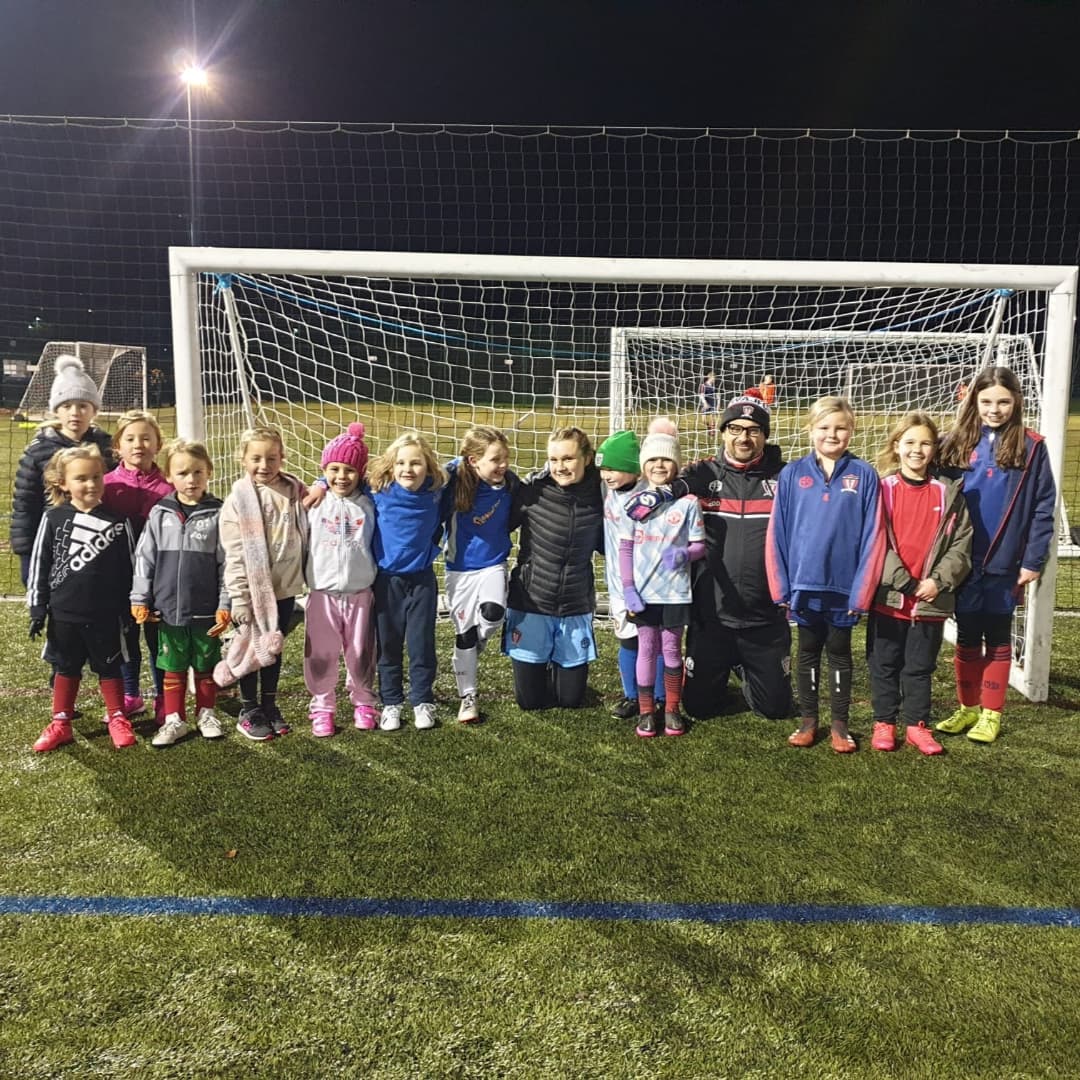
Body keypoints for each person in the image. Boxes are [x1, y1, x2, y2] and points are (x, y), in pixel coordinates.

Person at [625, 391, 794, 721]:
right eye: (735, 428)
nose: (743, 437)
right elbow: (671, 485)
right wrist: (652, 495)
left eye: (753, 430)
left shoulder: (783, 478)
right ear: (723, 432)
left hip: (765, 619)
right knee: (699, 708)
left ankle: (749, 670)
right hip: (712, 617)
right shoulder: (704, 474)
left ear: (764, 435)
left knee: (775, 710)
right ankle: (724, 663)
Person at [934, 366, 1056, 744]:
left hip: (1005, 561)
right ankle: (967, 707)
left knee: (999, 636)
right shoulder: (953, 442)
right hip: (963, 559)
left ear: (1016, 402)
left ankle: (991, 713)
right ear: (974, 401)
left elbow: (1042, 506)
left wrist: (1033, 560)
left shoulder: (1032, 446)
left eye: (1003, 401)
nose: (995, 409)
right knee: (967, 634)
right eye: (986, 401)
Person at [766, 396, 885, 752]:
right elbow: (778, 533)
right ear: (810, 430)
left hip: (844, 589)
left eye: (841, 428)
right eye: (824, 428)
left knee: (839, 651)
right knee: (806, 651)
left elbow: (874, 536)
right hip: (803, 586)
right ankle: (808, 721)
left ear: (852, 431)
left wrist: (862, 592)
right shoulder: (792, 474)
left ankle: (839, 725)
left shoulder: (864, 475)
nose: (832, 434)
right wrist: (781, 587)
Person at [867, 413, 972, 756]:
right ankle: (885, 722)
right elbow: (875, 541)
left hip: (931, 599)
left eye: (925, 443)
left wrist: (937, 581)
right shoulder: (882, 490)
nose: (917, 449)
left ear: (934, 448)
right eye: (910, 442)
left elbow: (961, 544)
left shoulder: (949, 493)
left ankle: (916, 724)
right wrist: (905, 583)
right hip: (890, 596)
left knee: (920, 666)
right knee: (884, 663)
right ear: (896, 446)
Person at [27, 445, 135, 752]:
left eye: (97, 476)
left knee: (110, 667)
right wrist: (37, 607)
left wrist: (129, 606)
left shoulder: (118, 521)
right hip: (64, 614)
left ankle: (117, 717)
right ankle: (61, 723)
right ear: (63, 483)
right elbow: (40, 564)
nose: (91, 484)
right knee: (66, 666)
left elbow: (130, 567)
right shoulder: (53, 518)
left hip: (106, 615)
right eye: (81, 478)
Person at [130, 439, 231, 747]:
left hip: (205, 611)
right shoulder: (160, 514)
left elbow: (227, 565)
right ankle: (175, 720)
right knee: (172, 667)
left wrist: (225, 603)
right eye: (183, 472)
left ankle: (206, 713)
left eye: (197, 471)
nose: (191, 479)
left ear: (209, 472)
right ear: (170, 477)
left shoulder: (219, 514)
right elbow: (144, 559)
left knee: (205, 665)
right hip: (167, 610)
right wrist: (139, 598)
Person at [504, 427, 605, 710]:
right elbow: (496, 526)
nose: (560, 467)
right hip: (531, 603)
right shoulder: (532, 491)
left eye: (568, 459)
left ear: (587, 458)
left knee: (570, 700)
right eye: (554, 459)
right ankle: (538, 664)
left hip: (575, 604)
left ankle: (558, 666)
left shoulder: (603, 493)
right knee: (530, 702)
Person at [218, 426, 308, 741]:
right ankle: (249, 708)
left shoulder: (294, 490)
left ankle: (269, 704)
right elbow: (236, 554)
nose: (264, 465)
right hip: (253, 593)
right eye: (256, 458)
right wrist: (239, 597)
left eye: (272, 457)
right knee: (250, 647)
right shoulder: (238, 500)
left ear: (282, 457)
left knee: (274, 646)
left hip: (285, 589)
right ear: (242, 459)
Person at [618, 421, 705, 736]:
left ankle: (671, 709)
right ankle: (645, 712)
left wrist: (686, 554)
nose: (659, 465)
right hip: (644, 594)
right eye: (652, 460)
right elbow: (625, 549)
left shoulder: (688, 503)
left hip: (675, 594)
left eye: (666, 459)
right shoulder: (635, 504)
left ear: (676, 465)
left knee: (671, 651)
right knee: (646, 649)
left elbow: (699, 545)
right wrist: (629, 588)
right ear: (643, 466)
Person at [11, 355, 114, 586]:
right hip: (53, 540)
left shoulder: (107, 448)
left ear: (94, 411)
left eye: (83, 405)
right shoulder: (37, 452)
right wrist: (26, 551)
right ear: (56, 410)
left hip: (95, 540)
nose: (75, 412)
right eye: (67, 406)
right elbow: (25, 504)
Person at [303, 423, 377, 736]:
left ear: (360, 473)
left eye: (349, 469)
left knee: (361, 652)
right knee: (320, 654)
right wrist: (320, 484)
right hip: (322, 594)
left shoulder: (371, 501)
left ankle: (363, 702)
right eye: (333, 469)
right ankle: (322, 707)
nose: (341, 477)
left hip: (360, 592)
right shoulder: (314, 502)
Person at [369, 431, 446, 731]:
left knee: (421, 644)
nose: (408, 469)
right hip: (386, 582)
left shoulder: (437, 491)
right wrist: (322, 483)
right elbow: (341, 476)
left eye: (416, 463)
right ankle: (391, 702)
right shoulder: (379, 489)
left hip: (422, 581)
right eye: (401, 462)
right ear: (391, 466)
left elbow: (463, 472)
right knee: (387, 646)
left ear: (428, 466)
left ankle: (422, 700)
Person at [442, 426, 517, 724]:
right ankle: (468, 697)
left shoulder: (510, 485)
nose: (503, 465)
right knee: (464, 636)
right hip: (459, 571)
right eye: (495, 459)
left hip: (493, 565)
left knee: (493, 612)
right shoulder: (454, 482)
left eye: (505, 458)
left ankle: (480, 641)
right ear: (474, 461)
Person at [102, 410, 172, 722]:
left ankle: (163, 698)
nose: (138, 444)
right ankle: (131, 695)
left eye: (146, 437)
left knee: (159, 640)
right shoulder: (105, 485)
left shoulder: (169, 487)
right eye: (130, 438)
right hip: (118, 579)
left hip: (158, 580)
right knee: (125, 640)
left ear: (159, 443)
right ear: (117, 446)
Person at [596, 429, 664, 721]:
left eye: (613, 468)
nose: (607, 474)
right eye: (602, 469)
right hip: (617, 585)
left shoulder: (649, 496)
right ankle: (631, 696)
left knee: (655, 642)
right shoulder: (606, 491)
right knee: (627, 640)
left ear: (633, 467)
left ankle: (660, 697)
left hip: (650, 585)